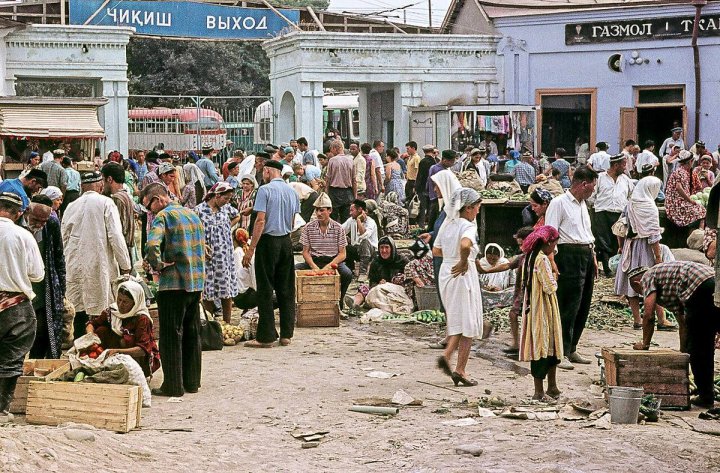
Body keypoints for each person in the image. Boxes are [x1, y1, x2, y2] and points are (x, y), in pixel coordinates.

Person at [142, 183, 205, 396]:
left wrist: (157, 264)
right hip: (195, 283)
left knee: (170, 335)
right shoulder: (192, 215)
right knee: (192, 332)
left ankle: (173, 385)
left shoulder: (163, 217)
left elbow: (151, 246)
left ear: (159, 199)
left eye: (149, 205)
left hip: (173, 284)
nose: (150, 211)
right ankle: (192, 382)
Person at [629, 263, 719, 408]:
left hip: (701, 288)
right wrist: (683, 351)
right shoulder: (669, 281)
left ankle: (706, 397)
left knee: (699, 349)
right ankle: (706, 393)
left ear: (636, 283)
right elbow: (683, 322)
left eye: (639, 291)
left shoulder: (647, 277)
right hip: (714, 280)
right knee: (701, 344)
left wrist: (645, 344)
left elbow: (648, 314)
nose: (642, 294)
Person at [62, 171, 131, 339]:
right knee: (102, 311)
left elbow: (63, 238)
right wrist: (126, 266)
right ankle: (100, 350)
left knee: (79, 312)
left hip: (75, 266)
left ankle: (81, 349)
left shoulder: (71, 206)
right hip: (100, 265)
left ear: (81, 187)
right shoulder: (106, 203)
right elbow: (115, 235)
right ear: (100, 186)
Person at [545, 165, 598, 370]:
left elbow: (586, 231)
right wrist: (552, 260)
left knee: (583, 304)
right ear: (583, 184)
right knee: (568, 305)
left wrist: (592, 254)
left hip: (585, 254)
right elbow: (550, 233)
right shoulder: (559, 203)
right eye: (592, 187)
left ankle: (572, 347)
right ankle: (560, 351)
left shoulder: (583, 204)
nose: (593, 190)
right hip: (568, 255)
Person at [242, 160, 300, 348]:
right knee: (286, 288)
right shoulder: (292, 191)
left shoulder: (265, 190)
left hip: (268, 241)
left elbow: (260, 221)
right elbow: (292, 222)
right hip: (285, 241)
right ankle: (286, 334)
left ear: (267, 171)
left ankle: (266, 336)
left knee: (265, 289)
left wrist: (251, 250)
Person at [0, 192, 44, 416]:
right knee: (11, 359)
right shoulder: (23, 236)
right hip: (14, 307)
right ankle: (2, 408)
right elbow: (37, 274)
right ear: (18, 214)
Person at [435, 188, 484, 387]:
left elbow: (436, 250)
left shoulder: (447, 225)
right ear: (469, 208)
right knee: (468, 321)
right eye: (477, 208)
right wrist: (464, 260)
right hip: (462, 273)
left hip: (446, 270)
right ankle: (459, 367)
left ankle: (450, 358)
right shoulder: (468, 226)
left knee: (457, 317)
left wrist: (452, 256)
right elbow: (465, 245)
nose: (478, 212)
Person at [615, 177, 677, 330]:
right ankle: (661, 320)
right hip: (646, 249)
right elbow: (653, 235)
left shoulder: (631, 204)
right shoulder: (649, 206)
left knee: (632, 282)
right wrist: (658, 257)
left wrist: (621, 246)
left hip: (631, 246)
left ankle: (638, 319)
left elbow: (620, 225)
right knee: (654, 284)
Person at [518, 225, 564, 401]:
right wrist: (555, 278)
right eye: (555, 244)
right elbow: (549, 286)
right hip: (543, 308)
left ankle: (552, 387)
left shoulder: (530, 257)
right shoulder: (542, 260)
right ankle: (539, 391)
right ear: (549, 242)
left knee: (548, 346)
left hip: (534, 307)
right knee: (543, 346)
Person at [86, 280, 160, 377]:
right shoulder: (113, 311)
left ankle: (133, 374)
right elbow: (92, 324)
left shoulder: (142, 318)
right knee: (101, 330)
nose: (120, 305)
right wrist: (90, 335)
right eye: (119, 300)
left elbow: (142, 350)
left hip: (136, 357)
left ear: (135, 302)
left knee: (126, 340)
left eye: (125, 302)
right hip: (113, 352)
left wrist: (117, 351)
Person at [22, 200, 65, 360]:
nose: (39, 224)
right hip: (20, 287)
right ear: (27, 212)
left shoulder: (51, 224)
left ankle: (36, 363)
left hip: (42, 287)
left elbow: (58, 256)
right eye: (35, 220)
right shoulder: (16, 226)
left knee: (41, 331)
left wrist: (61, 287)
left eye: (43, 221)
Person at [296, 192, 353, 306]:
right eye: (317, 210)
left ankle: (340, 299)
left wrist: (329, 266)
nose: (318, 213)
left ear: (330, 211)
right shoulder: (308, 227)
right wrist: (314, 267)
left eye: (322, 210)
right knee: (293, 271)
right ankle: (300, 301)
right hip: (315, 260)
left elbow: (342, 254)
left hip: (333, 261)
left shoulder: (338, 228)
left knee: (347, 274)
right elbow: (305, 252)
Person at [195, 182, 240, 323]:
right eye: (225, 198)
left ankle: (227, 322)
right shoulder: (199, 210)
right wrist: (201, 244)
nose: (227, 201)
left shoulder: (226, 209)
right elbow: (193, 229)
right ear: (216, 196)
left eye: (228, 199)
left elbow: (237, 216)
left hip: (224, 254)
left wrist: (227, 226)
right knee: (208, 290)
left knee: (225, 288)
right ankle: (209, 323)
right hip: (207, 256)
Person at [593, 154, 634, 277]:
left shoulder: (626, 179)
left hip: (619, 213)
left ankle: (617, 267)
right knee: (603, 241)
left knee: (619, 241)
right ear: (616, 165)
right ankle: (607, 268)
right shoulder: (600, 178)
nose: (625, 167)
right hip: (602, 213)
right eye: (623, 165)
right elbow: (592, 195)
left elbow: (631, 195)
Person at [346, 236, 409, 309]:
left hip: (398, 291)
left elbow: (410, 278)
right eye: (381, 248)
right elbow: (372, 282)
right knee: (364, 288)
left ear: (392, 248)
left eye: (387, 247)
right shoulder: (376, 262)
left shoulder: (402, 261)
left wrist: (393, 283)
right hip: (380, 291)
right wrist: (379, 284)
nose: (384, 250)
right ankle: (355, 302)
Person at [102, 163, 135, 263]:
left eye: (103, 180)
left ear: (109, 179)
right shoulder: (125, 195)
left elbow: (118, 229)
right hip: (126, 248)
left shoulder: (117, 199)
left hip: (121, 250)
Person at [665, 151, 706, 231]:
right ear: (689, 162)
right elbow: (679, 188)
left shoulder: (682, 171)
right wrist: (690, 200)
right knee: (702, 210)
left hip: (676, 202)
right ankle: (699, 233)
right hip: (675, 205)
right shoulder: (681, 172)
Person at [342, 199, 378, 276]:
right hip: (357, 249)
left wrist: (359, 221)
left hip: (370, 251)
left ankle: (362, 273)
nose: (350, 213)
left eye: (352, 210)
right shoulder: (351, 220)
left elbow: (364, 235)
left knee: (364, 242)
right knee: (344, 246)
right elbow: (341, 230)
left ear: (360, 210)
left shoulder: (370, 222)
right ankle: (350, 270)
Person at [325, 139, 356, 223]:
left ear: (335, 148)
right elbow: (354, 180)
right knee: (346, 219)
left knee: (333, 219)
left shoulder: (332, 160)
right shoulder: (351, 160)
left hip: (334, 192)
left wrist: (326, 192)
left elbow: (328, 179)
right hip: (348, 192)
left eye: (331, 149)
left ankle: (334, 235)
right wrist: (354, 195)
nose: (331, 151)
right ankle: (345, 235)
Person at [427, 150, 457, 232]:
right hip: (438, 198)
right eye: (451, 161)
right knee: (437, 221)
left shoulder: (440, 168)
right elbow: (438, 186)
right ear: (444, 160)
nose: (453, 163)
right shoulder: (439, 170)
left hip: (437, 198)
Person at [403, 239, 434, 308]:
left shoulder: (411, 264)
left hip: (424, 295)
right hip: (434, 291)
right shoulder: (433, 260)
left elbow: (420, 284)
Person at [415, 145, 437, 227]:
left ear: (424, 152)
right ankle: (430, 224)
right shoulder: (434, 162)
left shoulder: (423, 161)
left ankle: (421, 224)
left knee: (422, 207)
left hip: (422, 187)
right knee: (430, 207)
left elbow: (420, 175)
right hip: (432, 188)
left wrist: (416, 187)